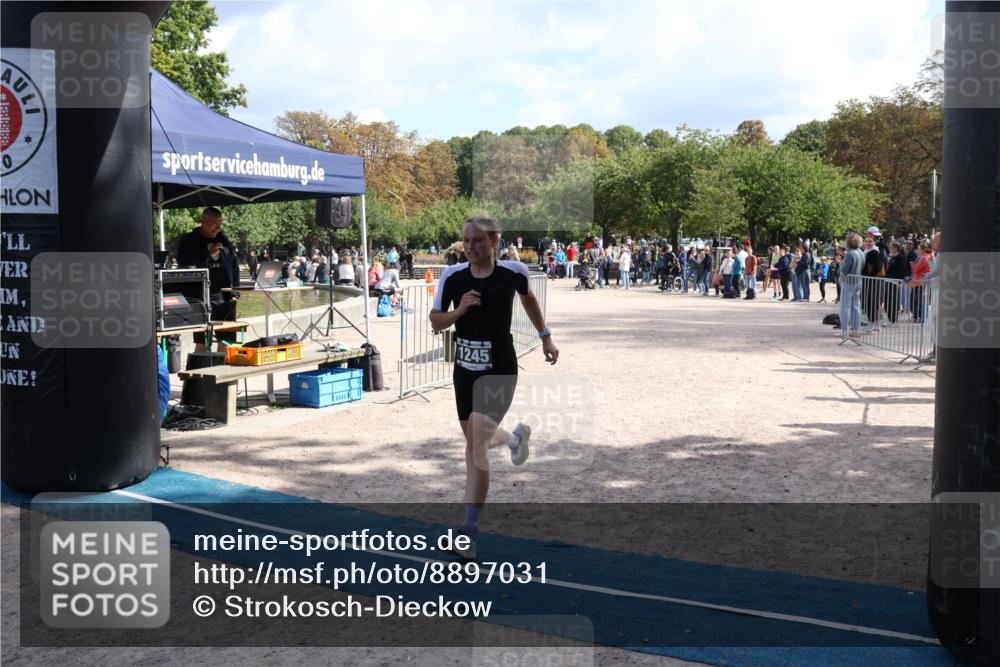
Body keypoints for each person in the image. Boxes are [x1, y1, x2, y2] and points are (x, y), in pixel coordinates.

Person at [430, 215, 558, 560]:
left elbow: (529, 299)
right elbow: (435, 321)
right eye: (466, 241)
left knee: (475, 447)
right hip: (465, 371)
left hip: (500, 368)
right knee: (475, 437)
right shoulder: (452, 277)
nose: (470, 247)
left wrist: (545, 336)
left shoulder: (513, 272)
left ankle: (467, 534)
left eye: (478, 241)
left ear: (494, 242)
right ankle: (516, 439)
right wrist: (460, 311)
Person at [176, 207, 240, 353]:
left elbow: (234, 265)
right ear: (203, 221)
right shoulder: (189, 240)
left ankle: (223, 373)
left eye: (220, 223)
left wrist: (236, 289)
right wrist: (208, 255)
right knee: (202, 340)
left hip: (225, 296)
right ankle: (198, 374)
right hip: (200, 298)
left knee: (228, 339)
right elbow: (184, 266)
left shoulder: (223, 238)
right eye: (214, 223)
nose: (218, 227)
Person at [838, 233, 864, 336]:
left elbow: (844, 270)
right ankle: (856, 329)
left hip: (848, 281)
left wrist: (841, 266)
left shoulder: (850, 254)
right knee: (856, 305)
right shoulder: (861, 252)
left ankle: (845, 330)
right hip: (858, 280)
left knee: (845, 306)